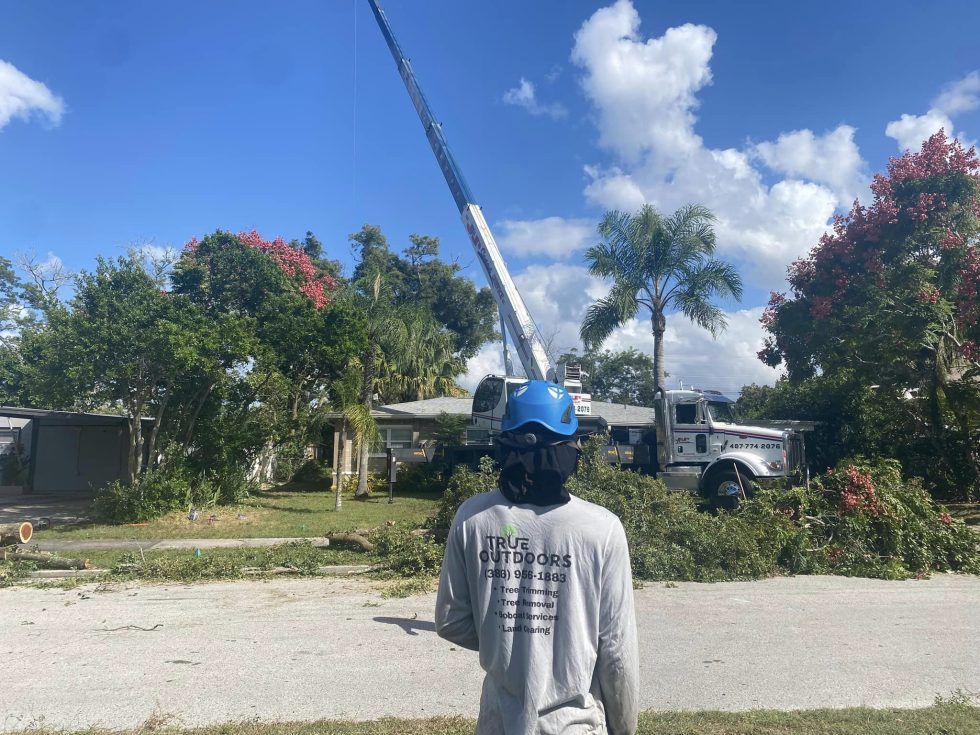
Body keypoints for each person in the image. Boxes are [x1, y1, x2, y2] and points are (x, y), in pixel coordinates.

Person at [435, 380, 639, 735]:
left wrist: (510, 641)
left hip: (498, 723)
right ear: (570, 446)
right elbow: (616, 652)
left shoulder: (472, 517)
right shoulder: (601, 528)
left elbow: (451, 620)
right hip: (575, 725)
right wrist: (625, 729)